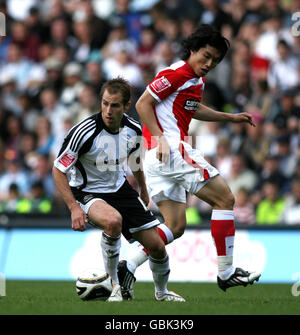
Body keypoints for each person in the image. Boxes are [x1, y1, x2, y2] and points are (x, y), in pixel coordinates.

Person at [118, 24, 261, 296]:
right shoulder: (178, 72)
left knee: (175, 226)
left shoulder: (194, 79)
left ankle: (129, 264)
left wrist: (230, 117)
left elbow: (192, 109)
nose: (209, 64)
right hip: (169, 148)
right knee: (226, 200)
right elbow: (142, 104)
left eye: (215, 61)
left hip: (157, 158)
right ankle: (227, 272)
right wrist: (160, 138)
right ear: (192, 50)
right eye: (205, 56)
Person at [52, 78, 184, 302]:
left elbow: (135, 161)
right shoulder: (84, 132)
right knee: (113, 221)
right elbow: (58, 169)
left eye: (114, 105)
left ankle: (162, 294)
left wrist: (142, 188)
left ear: (126, 106)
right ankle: (114, 286)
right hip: (87, 191)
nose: (108, 110)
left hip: (120, 189)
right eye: (104, 104)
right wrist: (74, 207)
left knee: (157, 247)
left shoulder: (133, 129)